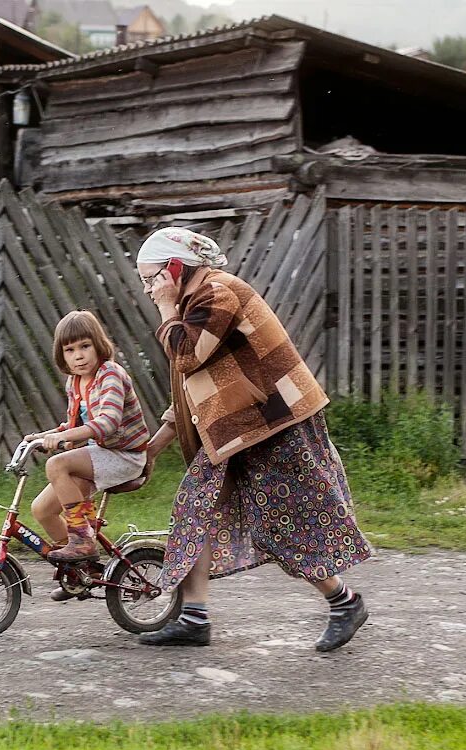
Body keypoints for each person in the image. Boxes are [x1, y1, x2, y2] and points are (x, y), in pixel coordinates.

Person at [134, 228, 373, 651]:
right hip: (240, 428)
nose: (151, 289)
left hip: (275, 422)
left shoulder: (217, 294)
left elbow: (187, 356)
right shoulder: (195, 303)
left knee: (287, 520)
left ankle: (344, 602)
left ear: (175, 268)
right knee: (197, 509)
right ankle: (194, 618)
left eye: (152, 278)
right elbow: (194, 383)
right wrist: (155, 446)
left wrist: (167, 307)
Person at [23, 311, 151, 600]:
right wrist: (42, 436)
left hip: (125, 455)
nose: (78, 356)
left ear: (98, 345)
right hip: (101, 453)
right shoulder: (75, 383)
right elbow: (73, 427)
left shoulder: (110, 375)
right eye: (70, 350)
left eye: (84, 346)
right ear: (62, 355)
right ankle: (81, 572)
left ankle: (82, 542)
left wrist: (63, 439)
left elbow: (107, 422)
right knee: (41, 509)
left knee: (57, 464)